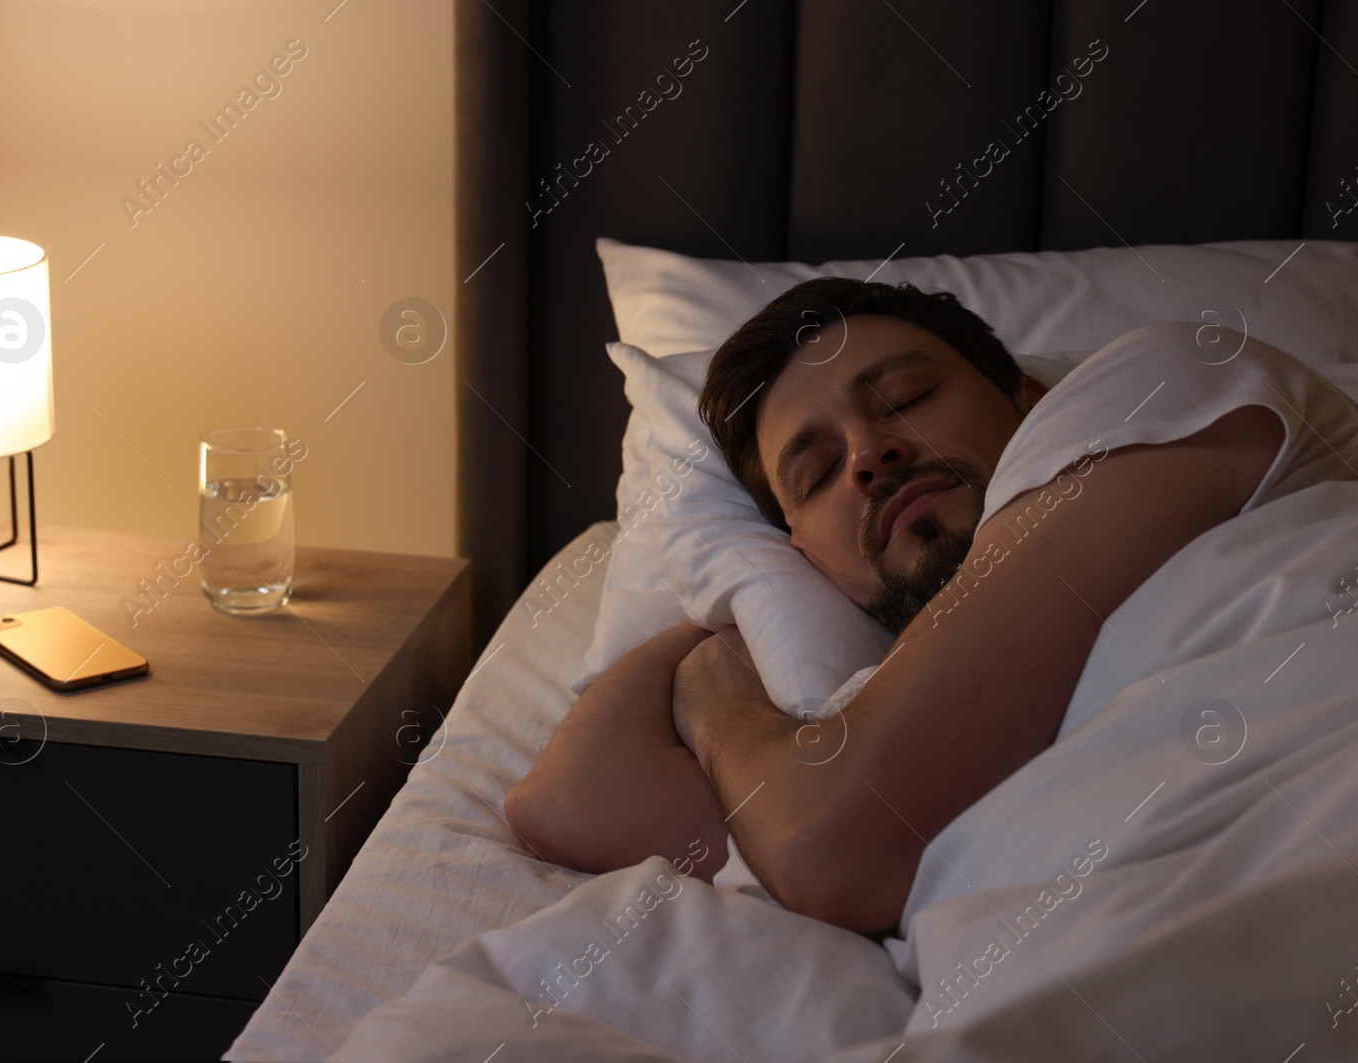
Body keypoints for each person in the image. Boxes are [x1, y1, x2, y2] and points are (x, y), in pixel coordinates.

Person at [505, 277, 1291, 933]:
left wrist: (714, 701)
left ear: (1031, 397)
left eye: (905, 397)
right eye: (814, 475)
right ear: (809, 559)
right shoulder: (862, 731)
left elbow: (823, 850)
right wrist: (737, 618)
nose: (867, 455)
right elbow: (567, 798)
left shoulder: (1168, 388)